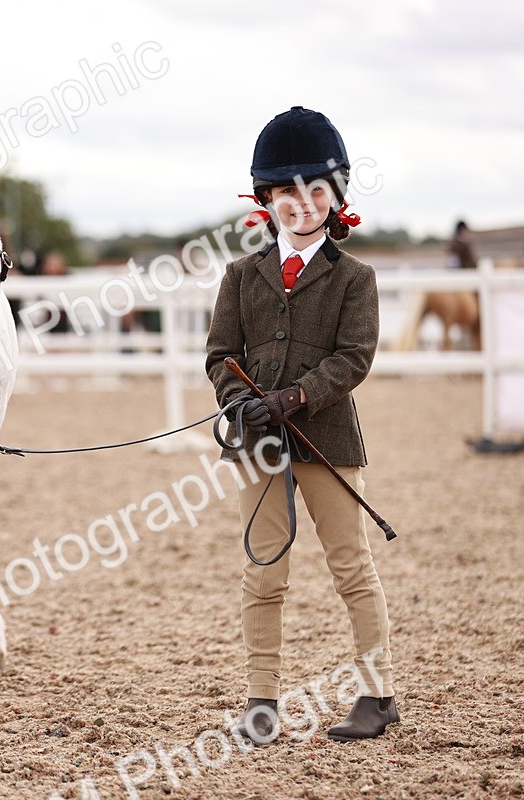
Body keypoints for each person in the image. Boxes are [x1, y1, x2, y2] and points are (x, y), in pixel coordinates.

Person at [205, 107, 397, 744]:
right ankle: (262, 703)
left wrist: (293, 397)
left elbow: (355, 357)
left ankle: (377, 694)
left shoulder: (354, 278)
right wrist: (240, 400)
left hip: (328, 439)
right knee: (263, 574)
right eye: (287, 191)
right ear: (267, 200)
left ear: (335, 196)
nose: (302, 203)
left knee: (350, 566)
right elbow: (219, 355)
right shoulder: (240, 276)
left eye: (316, 190)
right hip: (258, 444)